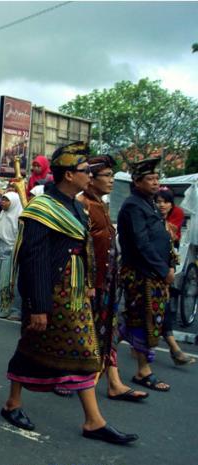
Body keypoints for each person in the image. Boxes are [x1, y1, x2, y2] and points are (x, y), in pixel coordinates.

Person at [0, 141, 138, 445]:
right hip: (50, 291)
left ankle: (91, 419)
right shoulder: (42, 208)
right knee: (40, 344)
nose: (89, 175)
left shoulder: (77, 205)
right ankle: (20, 404)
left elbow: (85, 247)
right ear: (67, 175)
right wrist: (38, 304)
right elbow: (32, 259)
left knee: (77, 349)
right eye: (84, 170)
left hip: (74, 292)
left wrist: (88, 283)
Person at [76, 156, 148, 402]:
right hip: (90, 283)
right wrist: (87, 283)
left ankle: (114, 382)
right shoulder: (82, 204)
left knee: (109, 330)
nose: (111, 181)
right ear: (91, 179)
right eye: (106, 175)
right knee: (86, 332)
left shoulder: (101, 204)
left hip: (108, 282)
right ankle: (71, 377)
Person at [117, 157, 177, 393]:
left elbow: (160, 239)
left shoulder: (149, 203)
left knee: (139, 322)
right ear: (136, 182)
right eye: (150, 179)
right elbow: (141, 244)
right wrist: (163, 270)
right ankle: (142, 371)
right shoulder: (133, 206)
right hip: (141, 274)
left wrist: (169, 265)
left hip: (155, 274)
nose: (155, 183)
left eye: (156, 179)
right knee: (141, 321)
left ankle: (102, 363)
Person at [154, 187, 196, 366]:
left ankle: (174, 349)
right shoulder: (148, 212)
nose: (162, 205)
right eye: (159, 201)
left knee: (164, 307)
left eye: (166, 202)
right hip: (152, 265)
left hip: (167, 263)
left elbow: (172, 235)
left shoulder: (177, 213)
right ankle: (174, 349)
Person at [0, 192, 22, 319]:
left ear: (13, 202)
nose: (3, 202)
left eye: (6, 200)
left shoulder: (19, 216)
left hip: (11, 253)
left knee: (8, 281)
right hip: (0, 251)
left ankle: (8, 309)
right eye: (2, 199)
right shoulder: (2, 214)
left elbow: (18, 236)